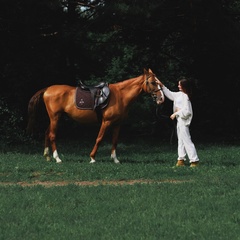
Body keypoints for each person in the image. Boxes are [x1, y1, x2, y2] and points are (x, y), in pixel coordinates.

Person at [157, 77, 199, 167]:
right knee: (181, 140)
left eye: (180, 84)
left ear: (184, 86)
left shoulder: (186, 96)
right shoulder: (179, 95)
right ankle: (181, 159)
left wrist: (176, 113)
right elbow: (169, 94)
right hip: (179, 120)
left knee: (187, 140)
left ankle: (194, 160)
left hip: (183, 121)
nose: (178, 86)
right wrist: (161, 85)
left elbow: (187, 111)